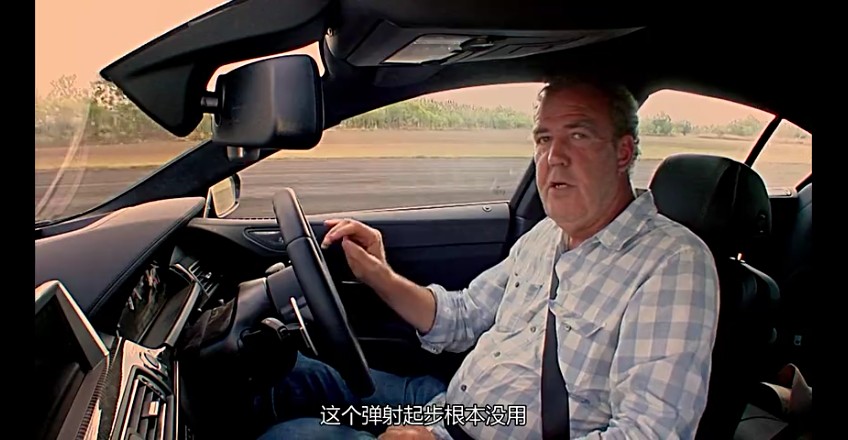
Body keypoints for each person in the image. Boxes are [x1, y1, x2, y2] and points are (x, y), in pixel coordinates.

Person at [254, 75, 721, 439]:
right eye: (543, 139)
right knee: (287, 374)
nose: (553, 157)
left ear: (623, 152)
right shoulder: (547, 234)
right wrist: (378, 273)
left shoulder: (672, 264)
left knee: (293, 436)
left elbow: (648, 433)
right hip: (453, 410)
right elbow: (462, 316)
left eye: (578, 135)